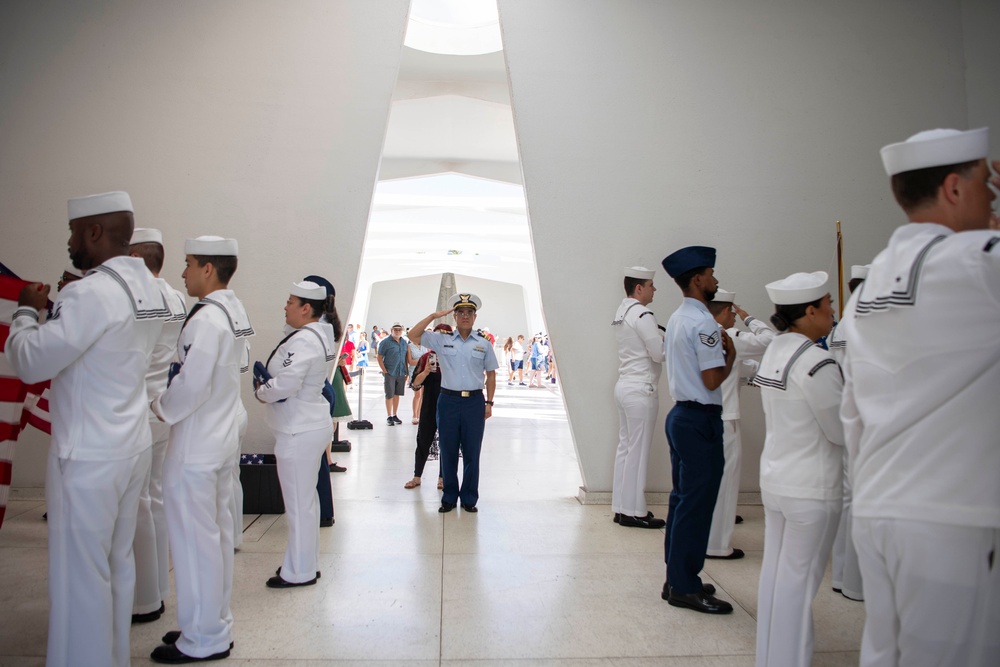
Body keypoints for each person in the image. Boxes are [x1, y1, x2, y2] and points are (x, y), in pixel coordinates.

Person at [840, 128, 1000, 666]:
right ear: (954, 188)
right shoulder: (977, 261)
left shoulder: (869, 288)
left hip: (881, 508)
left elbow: (852, 412)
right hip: (949, 515)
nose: (992, 196)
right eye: (988, 185)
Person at [7, 191, 169, 667]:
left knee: (80, 577)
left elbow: (30, 359)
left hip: (88, 455)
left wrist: (26, 311)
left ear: (94, 233)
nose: (70, 242)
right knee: (116, 568)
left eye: (74, 233)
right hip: (130, 443)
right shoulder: (150, 288)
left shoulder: (91, 292)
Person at [149, 235, 252, 663]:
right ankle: (207, 622)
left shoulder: (207, 319)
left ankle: (203, 638)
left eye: (189, 263)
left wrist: (160, 406)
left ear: (208, 268)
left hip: (197, 442)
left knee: (195, 542)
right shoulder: (232, 308)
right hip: (221, 434)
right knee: (215, 536)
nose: (184, 272)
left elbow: (190, 383)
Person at [753, 272, 844, 667]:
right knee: (799, 585)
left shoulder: (776, 349)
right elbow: (840, 430)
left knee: (776, 578)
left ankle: (771, 658)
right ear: (809, 311)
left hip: (777, 481)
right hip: (811, 487)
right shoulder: (816, 361)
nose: (833, 311)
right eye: (828, 305)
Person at [660, 245, 735, 615]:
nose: (716, 280)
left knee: (682, 500)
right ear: (697, 279)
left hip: (680, 416)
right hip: (699, 419)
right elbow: (711, 379)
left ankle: (675, 577)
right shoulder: (704, 322)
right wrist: (731, 357)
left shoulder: (677, 317)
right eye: (711, 274)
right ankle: (686, 586)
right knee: (697, 504)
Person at [254, 281, 337, 588]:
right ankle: (305, 564)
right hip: (305, 425)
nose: (285, 306)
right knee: (306, 502)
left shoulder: (304, 341)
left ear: (306, 308)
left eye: (290, 301)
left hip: (298, 430)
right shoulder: (315, 335)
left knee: (299, 505)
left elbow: (287, 383)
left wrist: (262, 391)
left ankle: (299, 572)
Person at [128, 227, 188, 626]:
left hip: (135, 405)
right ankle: (159, 588)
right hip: (162, 402)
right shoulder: (176, 297)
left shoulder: (135, 298)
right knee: (158, 496)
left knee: (136, 504)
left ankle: (145, 598)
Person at [410, 294, 498, 513]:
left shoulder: (484, 344)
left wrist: (489, 402)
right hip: (448, 400)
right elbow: (413, 334)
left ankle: (469, 498)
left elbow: (491, 374)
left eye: (469, 313)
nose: (465, 317)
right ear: (455, 316)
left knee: (471, 452)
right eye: (460, 313)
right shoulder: (443, 340)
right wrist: (433, 315)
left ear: (475, 317)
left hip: (474, 402)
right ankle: (449, 496)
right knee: (447, 450)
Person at [704, 289, 774, 560]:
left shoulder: (698, 334)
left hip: (704, 416)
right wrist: (750, 318)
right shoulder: (730, 336)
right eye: (732, 312)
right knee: (726, 483)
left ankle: (708, 538)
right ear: (723, 312)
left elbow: (740, 369)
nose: (734, 316)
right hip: (726, 419)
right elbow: (770, 340)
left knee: (709, 482)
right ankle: (718, 546)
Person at [611, 266, 666, 529]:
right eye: (651, 284)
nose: (655, 289)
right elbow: (658, 353)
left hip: (625, 385)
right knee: (637, 451)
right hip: (641, 387)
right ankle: (635, 511)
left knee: (625, 449)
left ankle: (622, 508)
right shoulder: (643, 313)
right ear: (639, 288)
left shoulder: (622, 311)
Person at [826, 264, 868, 602]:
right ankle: (854, 581)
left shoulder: (842, 326)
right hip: (862, 419)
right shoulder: (864, 323)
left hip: (844, 416)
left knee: (846, 498)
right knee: (857, 499)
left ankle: (841, 574)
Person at [404, 323, 453, 490]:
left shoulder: (454, 357)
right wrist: (425, 371)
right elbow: (415, 384)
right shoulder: (426, 357)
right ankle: (417, 476)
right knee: (423, 440)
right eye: (438, 335)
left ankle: (442, 477)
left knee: (447, 443)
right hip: (429, 406)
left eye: (445, 335)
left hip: (449, 407)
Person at [377, 322, 408, 425]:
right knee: (389, 394)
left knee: (397, 394)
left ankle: (395, 414)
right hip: (390, 371)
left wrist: (406, 371)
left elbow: (405, 358)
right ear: (391, 330)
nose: (398, 332)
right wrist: (384, 370)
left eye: (399, 330)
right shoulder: (385, 342)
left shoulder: (404, 342)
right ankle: (389, 416)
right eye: (396, 330)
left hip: (401, 371)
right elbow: (379, 356)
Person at [408, 333, 429, 424]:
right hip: (415, 371)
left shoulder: (425, 346)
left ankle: (420, 414)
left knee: (423, 395)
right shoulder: (410, 346)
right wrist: (422, 361)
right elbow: (410, 361)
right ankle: (415, 415)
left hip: (424, 371)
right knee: (417, 394)